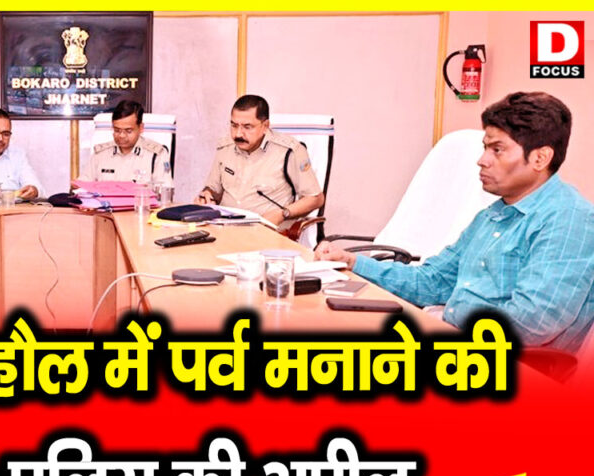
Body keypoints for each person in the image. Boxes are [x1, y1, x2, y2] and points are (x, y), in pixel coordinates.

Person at [315, 91, 594, 352]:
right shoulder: (492, 216)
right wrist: (352, 262)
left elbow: (531, 325)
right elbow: (432, 281)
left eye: (497, 150)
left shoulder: (569, 220)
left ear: (540, 158)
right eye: (485, 148)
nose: (481, 160)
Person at [198, 94, 323, 226]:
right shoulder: (225, 147)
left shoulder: (289, 151)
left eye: (247, 127)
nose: (238, 134)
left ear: (265, 126)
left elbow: (315, 199)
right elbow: (214, 191)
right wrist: (207, 195)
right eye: (234, 125)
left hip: (266, 231)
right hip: (224, 227)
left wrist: (283, 213)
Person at [79, 100, 171, 184]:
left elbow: (165, 191)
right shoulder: (100, 155)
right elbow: (83, 186)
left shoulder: (157, 155)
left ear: (141, 128)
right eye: (117, 130)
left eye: (128, 131)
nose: (121, 135)